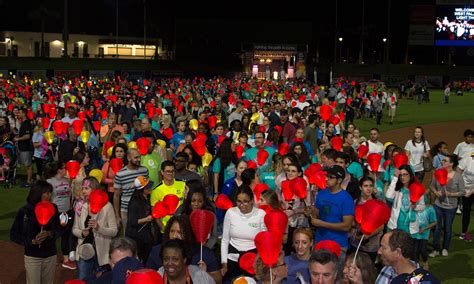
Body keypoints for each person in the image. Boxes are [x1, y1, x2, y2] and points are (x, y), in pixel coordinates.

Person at [146, 215, 222, 283]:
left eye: (179, 232)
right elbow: (147, 278)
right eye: (172, 231)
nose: (174, 236)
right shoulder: (156, 251)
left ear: (188, 234)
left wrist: (204, 274)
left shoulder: (203, 253)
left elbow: (219, 281)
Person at [72, 177, 118, 280]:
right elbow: (74, 229)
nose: (83, 191)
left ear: (95, 189)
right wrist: (82, 233)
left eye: (87, 188)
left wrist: (99, 228)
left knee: (102, 281)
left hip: (102, 254)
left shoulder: (107, 206)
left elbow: (114, 231)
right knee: (83, 280)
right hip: (84, 252)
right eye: (83, 188)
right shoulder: (80, 206)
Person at [309, 165, 354, 265]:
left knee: (335, 277)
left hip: (338, 244)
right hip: (320, 241)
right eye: (326, 176)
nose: (326, 179)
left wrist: (321, 223)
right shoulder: (321, 194)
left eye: (330, 177)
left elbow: (346, 226)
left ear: (339, 180)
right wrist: (312, 212)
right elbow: (318, 215)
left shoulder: (346, 198)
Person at [221, 185, 267, 281]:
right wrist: (224, 263)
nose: (242, 205)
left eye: (245, 202)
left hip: (253, 259)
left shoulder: (261, 214)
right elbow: (225, 240)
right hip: (232, 257)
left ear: (251, 201)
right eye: (239, 202)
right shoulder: (230, 213)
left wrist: (259, 262)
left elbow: (264, 242)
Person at [23, 181, 60, 284]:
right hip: (32, 256)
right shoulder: (26, 211)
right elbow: (15, 234)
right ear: (38, 193)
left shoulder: (54, 208)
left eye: (50, 192)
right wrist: (32, 242)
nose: (49, 195)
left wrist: (49, 234)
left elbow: (59, 230)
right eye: (46, 192)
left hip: (50, 255)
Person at [429, 154, 465, 257]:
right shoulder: (438, 172)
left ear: (451, 163)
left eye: (445, 161)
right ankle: (435, 249)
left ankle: (445, 248)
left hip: (451, 207)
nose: (442, 162)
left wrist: (451, 194)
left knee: (448, 228)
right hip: (438, 205)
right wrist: (436, 193)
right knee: (437, 227)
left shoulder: (458, 176)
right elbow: (432, 186)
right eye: (443, 161)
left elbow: (462, 192)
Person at [45, 161, 75, 270]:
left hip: (66, 212)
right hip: (55, 213)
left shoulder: (66, 180)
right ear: (59, 170)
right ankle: (50, 258)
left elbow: (69, 195)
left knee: (65, 236)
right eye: (64, 168)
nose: (66, 170)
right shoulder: (49, 182)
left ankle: (66, 260)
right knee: (52, 236)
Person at [113, 149, 149, 232]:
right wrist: (117, 216)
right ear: (129, 158)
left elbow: (146, 189)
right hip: (126, 210)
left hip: (141, 208)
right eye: (136, 157)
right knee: (128, 236)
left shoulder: (144, 170)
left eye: (139, 157)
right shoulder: (120, 174)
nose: (139, 159)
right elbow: (116, 195)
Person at [349, 177, 382, 262]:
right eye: (365, 186)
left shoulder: (378, 203)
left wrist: (366, 236)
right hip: (356, 242)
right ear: (360, 187)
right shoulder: (355, 202)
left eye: (371, 186)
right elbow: (351, 221)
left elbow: (381, 226)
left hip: (371, 245)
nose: (368, 188)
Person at [125, 176, 157, 263]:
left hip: (145, 234)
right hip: (136, 236)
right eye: (147, 187)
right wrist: (146, 219)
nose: (150, 188)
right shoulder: (134, 202)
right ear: (141, 189)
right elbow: (132, 221)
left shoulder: (148, 197)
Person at [150, 160, 187, 231]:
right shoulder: (156, 191)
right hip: (167, 228)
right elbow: (154, 212)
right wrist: (162, 227)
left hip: (182, 226)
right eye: (168, 171)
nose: (170, 173)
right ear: (162, 172)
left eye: (172, 171)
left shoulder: (183, 185)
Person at [15, 108, 34, 187]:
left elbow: (27, 136)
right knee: (26, 165)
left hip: (26, 147)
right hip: (22, 147)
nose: (17, 114)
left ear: (24, 114)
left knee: (28, 165)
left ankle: (29, 181)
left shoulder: (27, 123)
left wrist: (18, 139)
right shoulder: (23, 123)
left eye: (19, 113)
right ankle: (28, 180)